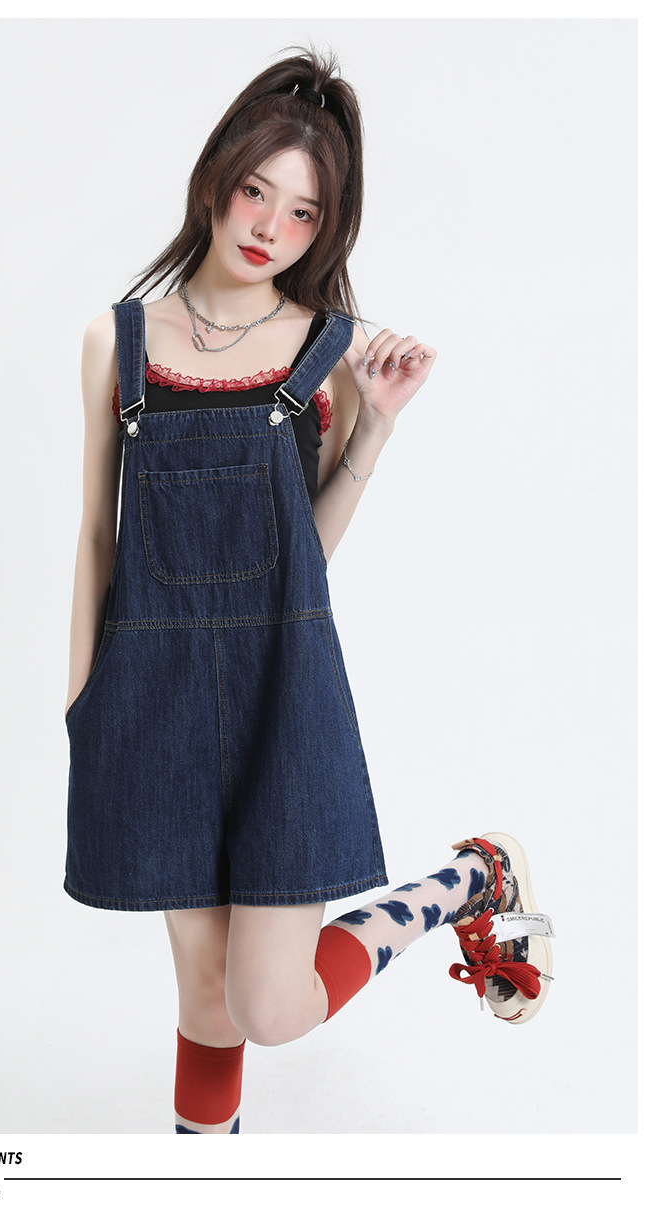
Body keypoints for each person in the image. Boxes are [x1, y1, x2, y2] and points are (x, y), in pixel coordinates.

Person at [64, 48, 554, 1135]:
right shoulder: (116, 341)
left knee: (272, 1008)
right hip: (148, 694)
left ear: (324, 230)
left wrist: (374, 427)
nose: (269, 228)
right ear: (216, 178)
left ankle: (468, 881)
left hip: (285, 691)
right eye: (256, 191)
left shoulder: (332, 352)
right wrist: (83, 702)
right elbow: (95, 535)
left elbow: (305, 559)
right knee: (205, 999)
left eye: (303, 213)